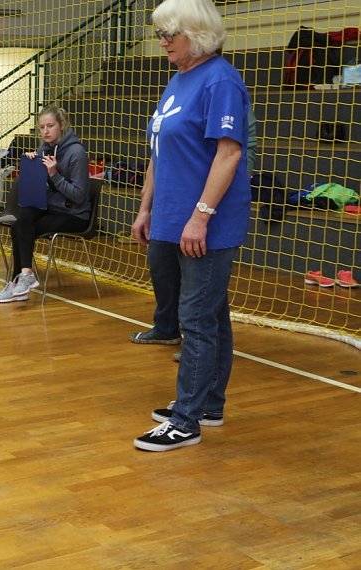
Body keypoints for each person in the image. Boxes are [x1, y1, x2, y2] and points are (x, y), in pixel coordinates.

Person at [130, 0, 250, 452]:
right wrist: (146, 210)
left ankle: (186, 420)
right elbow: (159, 153)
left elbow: (229, 153)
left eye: (169, 34)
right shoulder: (178, 79)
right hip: (171, 217)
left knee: (196, 319)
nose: (162, 42)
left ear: (195, 36)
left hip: (207, 223)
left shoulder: (220, 79)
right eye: (160, 33)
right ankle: (208, 404)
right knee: (211, 313)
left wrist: (201, 217)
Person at [0, 106, 91, 303]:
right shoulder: (43, 148)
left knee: (24, 226)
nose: (45, 131)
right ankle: (21, 280)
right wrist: (31, 166)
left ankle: (21, 281)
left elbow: (78, 196)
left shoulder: (76, 152)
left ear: (62, 126)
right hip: (51, 207)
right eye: (41, 127)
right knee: (21, 221)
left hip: (75, 214)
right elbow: (38, 186)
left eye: (50, 126)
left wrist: (54, 174)